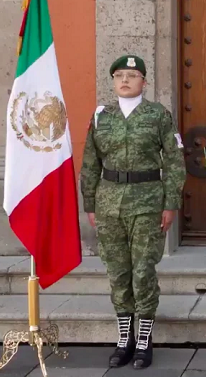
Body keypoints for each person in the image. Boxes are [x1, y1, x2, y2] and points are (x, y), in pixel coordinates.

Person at [80, 55, 186, 369]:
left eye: (132, 75)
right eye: (120, 75)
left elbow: (175, 162)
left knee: (142, 273)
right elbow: (90, 163)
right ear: (113, 81)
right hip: (109, 203)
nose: (125, 80)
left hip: (148, 202)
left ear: (144, 82)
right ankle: (124, 338)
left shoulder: (158, 115)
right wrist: (90, 204)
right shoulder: (102, 116)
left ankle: (144, 340)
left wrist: (171, 203)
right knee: (118, 273)